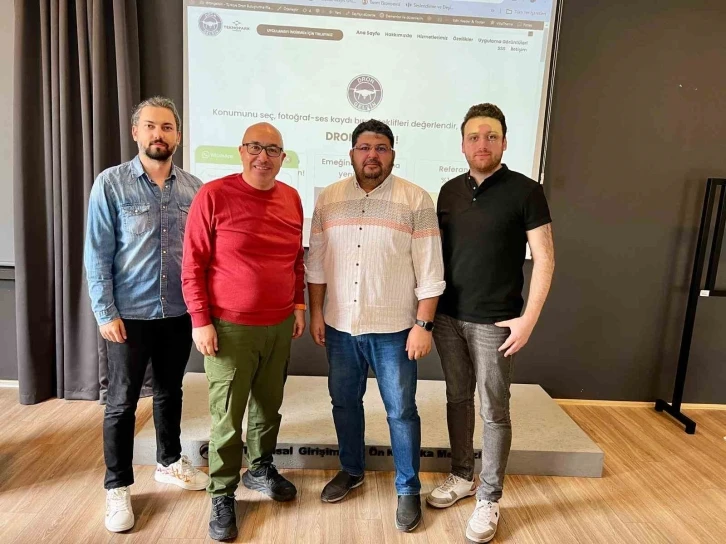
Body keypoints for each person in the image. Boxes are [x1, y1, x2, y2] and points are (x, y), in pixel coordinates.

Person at [307, 119, 445, 532]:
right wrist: (316, 313)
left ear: (392, 155)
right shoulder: (329, 198)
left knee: (401, 411)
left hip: (395, 330)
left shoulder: (415, 199)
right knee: (344, 403)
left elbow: (431, 269)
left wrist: (424, 325)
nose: (372, 155)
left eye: (381, 148)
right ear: (351, 153)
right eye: (365, 148)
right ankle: (352, 470)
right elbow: (316, 262)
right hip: (340, 326)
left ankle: (408, 488)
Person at [427, 103, 555, 543]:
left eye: (491, 136)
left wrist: (528, 320)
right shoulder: (448, 191)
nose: (482, 144)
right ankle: (462, 476)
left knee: (494, 411)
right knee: (457, 398)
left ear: (504, 142)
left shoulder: (526, 191)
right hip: (447, 318)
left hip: (497, 323)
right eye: (474, 137)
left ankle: (489, 496)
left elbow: (545, 258)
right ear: (462, 144)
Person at [84, 96, 209, 534]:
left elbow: (201, 256)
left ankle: (169, 462)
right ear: (136, 132)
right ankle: (117, 486)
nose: (159, 134)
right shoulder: (111, 183)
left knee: (170, 392)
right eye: (151, 126)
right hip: (129, 316)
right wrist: (105, 312)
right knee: (121, 403)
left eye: (167, 127)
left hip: (177, 311)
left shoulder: (195, 189)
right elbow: (97, 254)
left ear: (178, 135)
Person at [182, 122, 306, 541]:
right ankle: (222, 493)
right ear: (240, 151)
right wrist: (200, 320)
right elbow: (193, 264)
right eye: (255, 147)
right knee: (227, 419)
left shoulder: (291, 198)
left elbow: (295, 260)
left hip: (279, 324)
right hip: (230, 328)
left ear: (282, 158)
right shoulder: (213, 195)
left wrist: (298, 304)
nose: (263, 157)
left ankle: (260, 469)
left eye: (272, 150)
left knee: (269, 409)